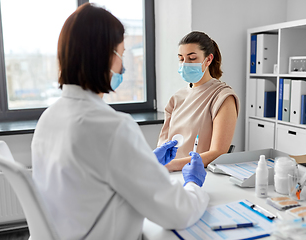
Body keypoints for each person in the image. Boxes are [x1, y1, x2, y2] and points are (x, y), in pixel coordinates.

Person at [31, 3, 209, 240]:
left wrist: (146, 163)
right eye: (121, 54)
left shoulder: (50, 117)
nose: (123, 66)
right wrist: (194, 184)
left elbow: (90, 177)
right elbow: (178, 212)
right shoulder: (111, 127)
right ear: (104, 56)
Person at [157, 31, 240, 172]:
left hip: (198, 174)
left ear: (208, 60)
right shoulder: (177, 98)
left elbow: (218, 153)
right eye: (181, 59)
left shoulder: (223, 97)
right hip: (168, 174)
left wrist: (171, 166)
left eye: (192, 58)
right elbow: (162, 145)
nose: (185, 64)